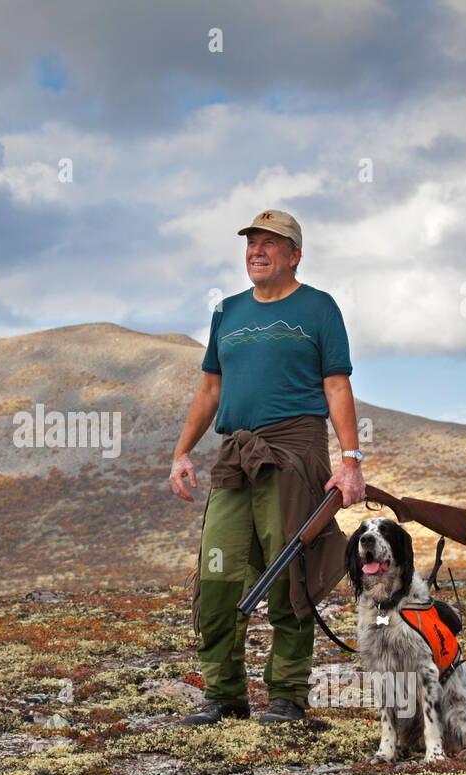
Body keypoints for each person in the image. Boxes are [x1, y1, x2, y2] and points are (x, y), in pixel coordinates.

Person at [169, 209, 366, 726]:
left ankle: (287, 696)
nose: (257, 251)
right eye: (251, 242)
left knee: (289, 574)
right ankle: (224, 693)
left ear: (294, 254)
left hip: (295, 453)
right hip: (234, 457)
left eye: (270, 244)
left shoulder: (319, 308)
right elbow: (211, 387)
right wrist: (182, 452)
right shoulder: (226, 312)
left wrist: (350, 461)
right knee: (218, 575)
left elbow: (336, 384)